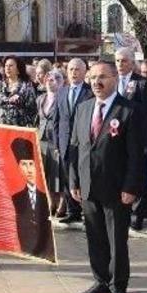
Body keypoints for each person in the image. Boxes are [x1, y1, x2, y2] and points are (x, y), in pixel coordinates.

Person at [70, 61, 145, 293]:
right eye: (92, 78)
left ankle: (118, 285)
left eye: (102, 77)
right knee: (94, 237)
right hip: (88, 185)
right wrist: (74, 180)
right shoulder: (83, 108)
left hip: (116, 188)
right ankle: (100, 280)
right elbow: (75, 147)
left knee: (116, 240)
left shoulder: (129, 110)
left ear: (115, 78)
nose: (96, 82)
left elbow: (135, 155)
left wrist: (131, 187)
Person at [115, 47, 147, 231]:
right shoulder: (112, 81)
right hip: (117, 138)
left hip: (137, 137)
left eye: (123, 61)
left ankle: (137, 215)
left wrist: (146, 141)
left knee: (137, 175)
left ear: (132, 62)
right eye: (117, 61)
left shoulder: (143, 83)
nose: (120, 64)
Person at [54, 58, 93, 224]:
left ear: (85, 72)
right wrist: (56, 143)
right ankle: (73, 211)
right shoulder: (62, 91)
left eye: (77, 70)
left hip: (83, 142)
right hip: (65, 142)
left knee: (83, 175)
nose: (73, 73)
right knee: (67, 176)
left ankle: (87, 212)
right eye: (70, 70)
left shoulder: (90, 92)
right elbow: (56, 120)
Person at [10, 138, 54, 260]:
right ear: (19, 167)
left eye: (31, 164)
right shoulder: (15, 198)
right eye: (24, 164)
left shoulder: (45, 197)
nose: (28, 169)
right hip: (25, 246)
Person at [37, 70, 64, 216]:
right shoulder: (41, 98)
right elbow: (39, 119)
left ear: (61, 81)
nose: (51, 80)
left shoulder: (63, 98)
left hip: (57, 140)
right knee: (46, 173)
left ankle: (62, 203)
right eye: (49, 78)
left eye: (56, 78)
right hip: (42, 139)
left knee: (58, 172)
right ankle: (51, 201)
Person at [0, 56, 38, 127]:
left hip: (20, 126)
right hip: (2, 125)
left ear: (18, 68)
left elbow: (32, 109)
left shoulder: (26, 85)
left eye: (11, 66)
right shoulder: (0, 84)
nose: (7, 68)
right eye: (6, 66)